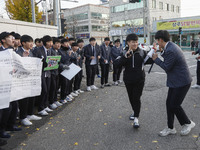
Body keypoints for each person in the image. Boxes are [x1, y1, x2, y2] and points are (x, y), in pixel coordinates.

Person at [152, 30, 195, 136]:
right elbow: (169, 60)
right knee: (169, 104)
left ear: (161, 40)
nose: (157, 43)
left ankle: (188, 123)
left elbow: (167, 66)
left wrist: (156, 59)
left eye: (157, 41)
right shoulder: (170, 46)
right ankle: (171, 128)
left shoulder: (171, 49)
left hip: (182, 82)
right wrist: (161, 52)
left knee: (175, 105)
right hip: (176, 81)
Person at [114, 33, 153, 128]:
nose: (135, 44)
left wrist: (154, 55)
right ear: (128, 43)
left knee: (136, 98)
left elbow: (149, 61)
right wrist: (125, 57)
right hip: (128, 80)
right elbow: (116, 64)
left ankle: (136, 118)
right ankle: (135, 111)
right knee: (131, 98)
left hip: (140, 80)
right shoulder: (123, 52)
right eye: (133, 42)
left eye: (136, 42)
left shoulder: (142, 52)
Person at [16, 35, 42, 126]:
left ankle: (30, 114)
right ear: (23, 43)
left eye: (32, 42)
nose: (32, 44)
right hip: (22, 80)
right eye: (29, 42)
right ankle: (23, 117)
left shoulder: (32, 52)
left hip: (31, 78)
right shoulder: (18, 52)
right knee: (24, 99)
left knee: (32, 96)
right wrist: (23, 57)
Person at [0, 32, 22, 138]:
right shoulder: (1, 52)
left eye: (13, 38)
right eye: (10, 38)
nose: (13, 39)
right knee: (5, 108)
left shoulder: (13, 52)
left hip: (13, 83)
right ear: (3, 40)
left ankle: (11, 125)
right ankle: (2, 130)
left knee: (14, 105)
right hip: (3, 84)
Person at [33, 35, 54, 116]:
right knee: (44, 90)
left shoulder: (50, 51)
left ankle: (45, 106)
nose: (51, 43)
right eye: (49, 42)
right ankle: (40, 108)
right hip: (41, 72)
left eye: (51, 42)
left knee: (48, 90)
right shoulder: (38, 50)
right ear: (45, 42)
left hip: (48, 72)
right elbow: (36, 61)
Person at [48, 37, 63, 109]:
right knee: (53, 88)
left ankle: (54, 100)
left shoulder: (57, 51)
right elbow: (51, 63)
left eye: (59, 43)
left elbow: (58, 62)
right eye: (57, 43)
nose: (59, 45)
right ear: (53, 44)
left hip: (56, 72)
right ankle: (51, 102)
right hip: (52, 72)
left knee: (56, 87)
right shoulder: (51, 51)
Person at [58, 38, 72, 103]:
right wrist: (68, 55)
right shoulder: (60, 51)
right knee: (64, 84)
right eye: (66, 43)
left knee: (68, 84)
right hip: (62, 69)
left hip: (68, 69)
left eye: (68, 43)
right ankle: (62, 98)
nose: (67, 44)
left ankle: (66, 95)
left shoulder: (68, 50)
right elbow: (61, 60)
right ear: (62, 44)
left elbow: (69, 60)